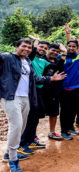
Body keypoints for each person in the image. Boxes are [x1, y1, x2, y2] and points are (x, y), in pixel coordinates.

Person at [0, 39, 65, 172]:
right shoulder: (7, 57)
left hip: (26, 98)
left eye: (29, 47)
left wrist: (50, 78)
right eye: (24, 46)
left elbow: (34, 78)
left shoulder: (27, 62)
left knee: (21, 127)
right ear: (16, 46)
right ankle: (13, 160)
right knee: (16, 126)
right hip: (11, 97)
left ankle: (8, 153)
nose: (27, 49)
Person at [18, 39, 51, 154]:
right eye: (40, 47)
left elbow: (55, 65)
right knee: (27, 118)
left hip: (38, 92)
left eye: (45, 48)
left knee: (35, 117)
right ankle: (21, 144)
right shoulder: (28, 59)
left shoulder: (42, 60)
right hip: (28, 92)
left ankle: (31, 139)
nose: (42, 49)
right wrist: (34, 46)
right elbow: (30, 56)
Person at [42, 43, 67, 141]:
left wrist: (64, 52)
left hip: (54, 91)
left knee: (54, 113)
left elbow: (60, 68)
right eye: (53, 50)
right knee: (36, 114)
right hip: (41, 90)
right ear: (48, 49)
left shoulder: (57, 61)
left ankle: (52, 132)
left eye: (57, 51)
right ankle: (32, 135)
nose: (55, 53)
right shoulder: (41, 59)